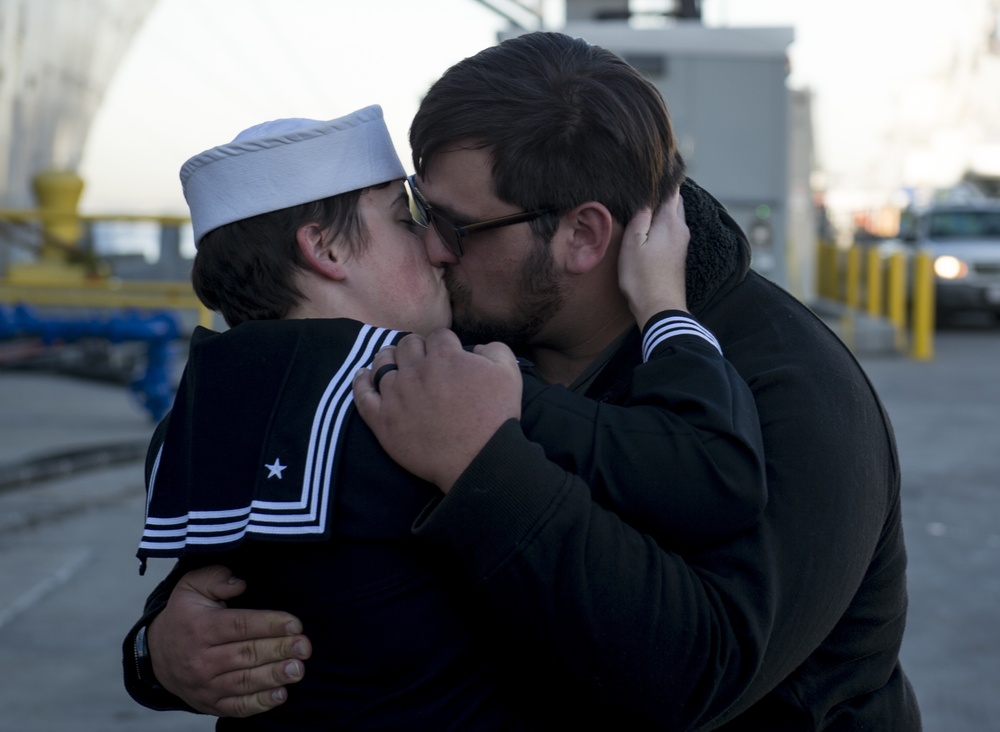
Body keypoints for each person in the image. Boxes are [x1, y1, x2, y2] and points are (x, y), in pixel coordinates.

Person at [127, 32, 922, 730]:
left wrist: (482, 466)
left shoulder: (791, 387)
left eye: (454, 225)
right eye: (417, 214)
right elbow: (303, 541)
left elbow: (698, 681)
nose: (436, 249)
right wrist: (164, 648)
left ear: (582, 234)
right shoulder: (459, 333)